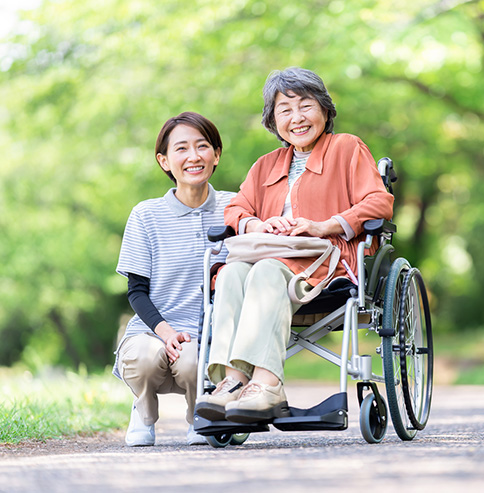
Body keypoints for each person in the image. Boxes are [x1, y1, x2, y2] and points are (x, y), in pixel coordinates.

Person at [194, 67, 394, 424]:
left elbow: (379, 203)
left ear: (324, 110)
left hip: (326, 263)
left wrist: (324, 225)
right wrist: (258, 223)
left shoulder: (346, 148)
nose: (296, 118)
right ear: (273, 120)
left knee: (267, 272)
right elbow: (236, 208)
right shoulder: (265, 165)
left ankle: (268, 386)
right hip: (269, 261)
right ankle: (233, 381)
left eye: (305, 105)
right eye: (284, 110)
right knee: (231, 273)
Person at [114, 112, 235, 446]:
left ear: (216, 154)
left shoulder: (235, 207)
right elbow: (136, 291)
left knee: (194, 357)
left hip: (207, 337)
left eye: (202, 146)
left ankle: (202, 414)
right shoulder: (145, 215)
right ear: (164, 160)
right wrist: (165, 332)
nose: (193, 156)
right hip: (152, 330)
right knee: (145, 356)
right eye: (181, 149)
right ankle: (143, 410)